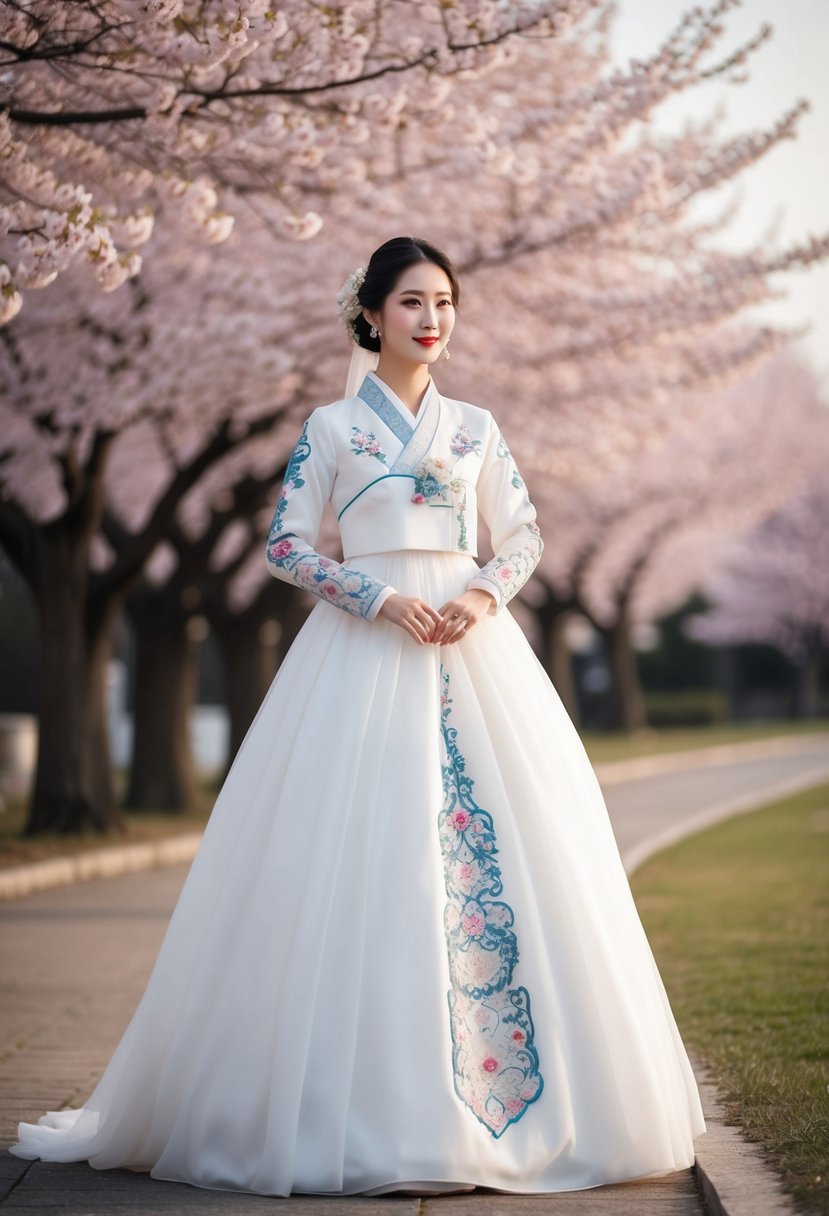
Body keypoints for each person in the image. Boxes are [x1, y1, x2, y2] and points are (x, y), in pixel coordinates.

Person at [10, 236, 706, 1197]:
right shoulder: (331, 429)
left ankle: (502, 1110)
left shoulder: (476, 429)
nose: (434, 319)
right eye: (414, 301)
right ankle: (363, 1108)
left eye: (446, 302)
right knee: (367, 856)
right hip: (360, 654)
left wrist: (482, 597)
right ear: (370, 312)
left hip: (472, 653)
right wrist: (375, 598)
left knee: (499, 854)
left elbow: (524, 533)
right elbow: (284, 546)